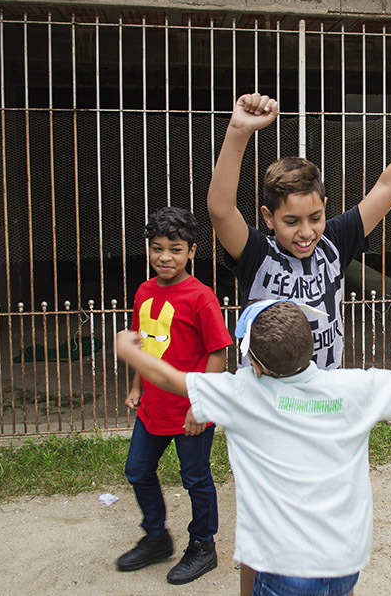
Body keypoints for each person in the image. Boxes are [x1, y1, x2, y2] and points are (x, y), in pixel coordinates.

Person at [114, 298, 391, 596]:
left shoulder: (242, 394)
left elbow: (168, 379)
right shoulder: (350, 387)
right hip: (345, 559)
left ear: (257, 365)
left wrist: (129, 351)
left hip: (283, 565)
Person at [207, 92, 391, 372]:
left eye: (315, 217)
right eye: (291, 221)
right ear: (268, 217)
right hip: (265, 396)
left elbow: (386, 189)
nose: (306, 232)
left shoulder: (333, 243)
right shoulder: (257, 255)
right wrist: (238, 131)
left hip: (321, 395)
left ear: (324, 207)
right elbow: (221, 209)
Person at [116, 206, 233, 585]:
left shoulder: (201, 297)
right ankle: (156, 537)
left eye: (175, 249)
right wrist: (136, 386)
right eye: (157, 248)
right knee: (137, 470)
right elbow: (140, 346)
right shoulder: (144, 292)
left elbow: (218, 351)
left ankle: (203, 545)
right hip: (153, 408)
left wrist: (201, 406)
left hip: (191, 414)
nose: (165, 257)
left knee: (195, 479)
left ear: (192, 251)